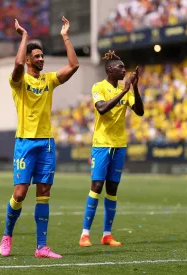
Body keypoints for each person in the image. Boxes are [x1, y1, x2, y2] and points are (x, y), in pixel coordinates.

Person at [0, 16, 79, 258]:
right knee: (20, 194)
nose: (42, 59)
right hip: (25, 142)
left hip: (46, 143)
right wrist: (24, 37)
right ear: (30, 59)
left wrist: (65, 36)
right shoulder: (19, 82)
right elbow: (17, 65)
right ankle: (7, 235)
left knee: (44, 192)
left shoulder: (49, 80)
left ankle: (41, 247)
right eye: (38, 56)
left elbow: (74, 66)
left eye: (43, 56)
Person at [79, 51, 144, 247]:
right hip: (101, 144)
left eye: (125, 68)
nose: (124, 70)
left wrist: (135, 87)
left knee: (112, 189)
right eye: (120, 67)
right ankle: (84, 234)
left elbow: (140, 111)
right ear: (109, 70)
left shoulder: (128, 90)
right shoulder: (98, 87)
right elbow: (101, 108)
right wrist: (124, 91)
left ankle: (107, 234)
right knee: (97, 186)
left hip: (119, 145)